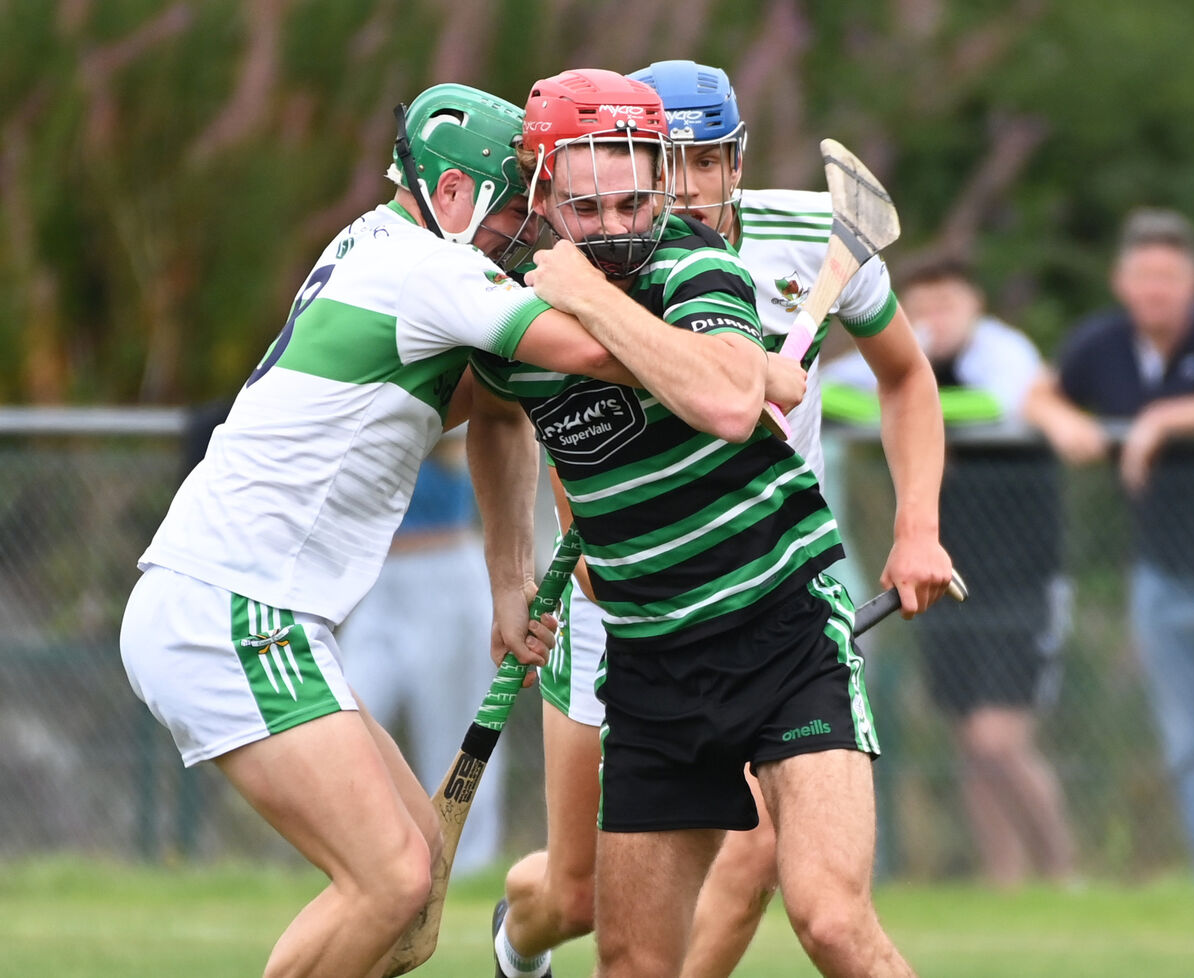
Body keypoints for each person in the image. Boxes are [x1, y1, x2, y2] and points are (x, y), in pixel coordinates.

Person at [117, 80, 742, 978]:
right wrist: (733, 350)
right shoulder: (429, 270)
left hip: (251, 610)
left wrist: (507, 581)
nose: (531, 231)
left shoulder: (386, 252)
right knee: (393, 881)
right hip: (232, 611)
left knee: (412, 889)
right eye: (515, 206)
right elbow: (606, 358)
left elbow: (498, 406)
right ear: (451, 193)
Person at [481, 67, 951, 978]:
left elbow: (741, 402)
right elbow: (499, 409)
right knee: (598, 925)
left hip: (780, 614)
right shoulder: (507, 300)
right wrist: (516, 571)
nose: (631, 215)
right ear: (548, 195)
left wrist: (916, 524)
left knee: (828, 915)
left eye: (644, 188)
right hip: (639, 632)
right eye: (591, 200)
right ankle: (516, 941)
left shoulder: (705, 258)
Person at [824, 256, 1078, 885]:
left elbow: (996, 401)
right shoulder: (903, 351)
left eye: (949, 306)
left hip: (1023, 578)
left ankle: (1066, 872)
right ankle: (1006, 883)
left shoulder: (1003, 351)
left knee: (1000, 741)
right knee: (970, 741)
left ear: (977, 307)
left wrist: (910, 393)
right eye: (923, 309)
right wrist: (899, 382)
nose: (934, 321)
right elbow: (821, 385)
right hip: (942, 575)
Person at [1025, 207, 1194, 874]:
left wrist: (1162, 420)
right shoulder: (1102, 344)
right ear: (1122, 282)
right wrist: (1061, 419)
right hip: (1161, 571)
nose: (1156, 289)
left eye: (1170, 276)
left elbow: (1168, 417)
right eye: (1144, 275)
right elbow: (1037, 395)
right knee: (1186, 742)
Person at [338, 429, 503, 877]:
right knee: (343, 709)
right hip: (374, 576)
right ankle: (365, 859)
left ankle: (464, 868)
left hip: (443, 569)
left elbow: (457, 448)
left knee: (455, 738)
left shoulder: (440, 369)